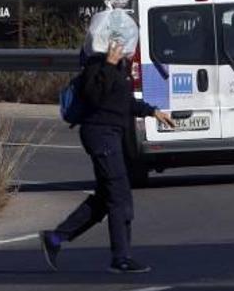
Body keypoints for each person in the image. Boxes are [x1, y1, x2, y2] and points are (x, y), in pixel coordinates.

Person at [41, 41, 175, 273]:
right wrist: (109, 65)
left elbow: (124, 101)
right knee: (120, 196)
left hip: (111, 135)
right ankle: (121, 258)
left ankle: (54, 239)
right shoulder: (96, 65)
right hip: (100, 135)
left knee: (105, 198)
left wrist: (153, 111)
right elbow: (94, 94)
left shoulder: (119, 67)